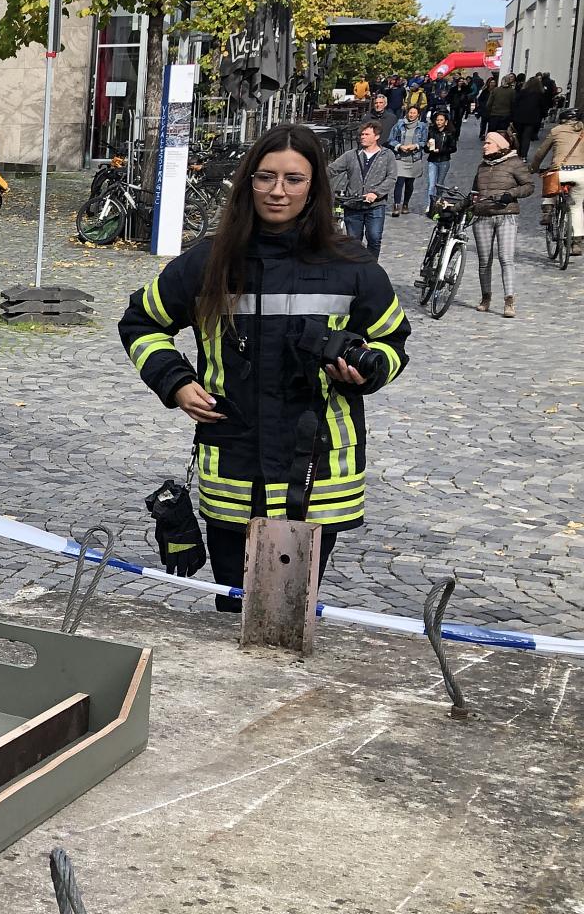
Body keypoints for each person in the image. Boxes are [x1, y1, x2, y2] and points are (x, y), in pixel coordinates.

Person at [119, 122, 410, 612]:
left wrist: (369, 368)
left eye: (294, 179)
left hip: (318, 468)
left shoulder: (351, 266)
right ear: (247, 181)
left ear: (315, 186)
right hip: (234, 465)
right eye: (265, 177)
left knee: (290, 611)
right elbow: (140, 323)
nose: (278, 191)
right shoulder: (208, 261)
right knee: (236, 608)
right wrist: (177, 382)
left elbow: (393, 341)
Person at [468, 131, 534, 317]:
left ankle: (509, 300)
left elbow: (529, 186)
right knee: (484, 261)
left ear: (500, 145)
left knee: (506, 259)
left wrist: (511, 194)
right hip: (482, 216)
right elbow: (474, 192)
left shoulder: (515, 163)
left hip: (506, 216)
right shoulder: (482, 166)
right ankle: (486, 297)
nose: (484, 145)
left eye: (489, 143)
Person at [326, 122, 394, 259]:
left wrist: (376, 193)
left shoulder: (387, 155)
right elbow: (332, 170)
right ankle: (355, 267)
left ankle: (371, 266)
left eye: (366, 134)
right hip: (353, 204)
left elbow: (391, 178)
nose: (362, 137)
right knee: (353, 241)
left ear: (376, 136)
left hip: (375, 205)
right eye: (361, 134)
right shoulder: (351, 155)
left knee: (374, 238)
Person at [529, 107, 584, 254]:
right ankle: (576, 243)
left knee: (551, 184)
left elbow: (541, 152)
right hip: (580, 172)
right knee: (577, 206)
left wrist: (534, 167)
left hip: (560, 171)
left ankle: (547, 210)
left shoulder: (557, 130)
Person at [388, 106, 428, 215]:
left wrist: (415, 146)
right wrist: (400, 146)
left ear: (418, 115)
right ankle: (396, 205)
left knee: (409, 184)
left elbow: (424, 142)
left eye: (414, 113)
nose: (411, 115)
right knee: (399, 182)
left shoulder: (422, 126)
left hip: (414, 159)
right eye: (410, 113)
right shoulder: (399, 124)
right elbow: (391, 139)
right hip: (400, 158)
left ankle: (406, 204)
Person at [424, 109, 459, 211]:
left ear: (446, 122)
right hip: (432, 160)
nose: (439, 122)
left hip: (444, 161)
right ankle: (429, 205)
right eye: (437, 120)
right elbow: (426, 148)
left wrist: (441, 150)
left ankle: (438, 204)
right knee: (431, 184)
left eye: (441, 120)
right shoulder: (431, 131)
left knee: (439, 184)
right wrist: (428, 147)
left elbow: (453, 148)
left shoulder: (449, 133)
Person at [511, 72, 546, 159]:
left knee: (519, 136)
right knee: (527, 137)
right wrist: (543, 115)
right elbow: (543, 107)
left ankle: (518, 153)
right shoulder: (539, 94)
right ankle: (524, 156)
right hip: (532, 119)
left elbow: (515, 103)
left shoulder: (522, 92)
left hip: (519, 117)